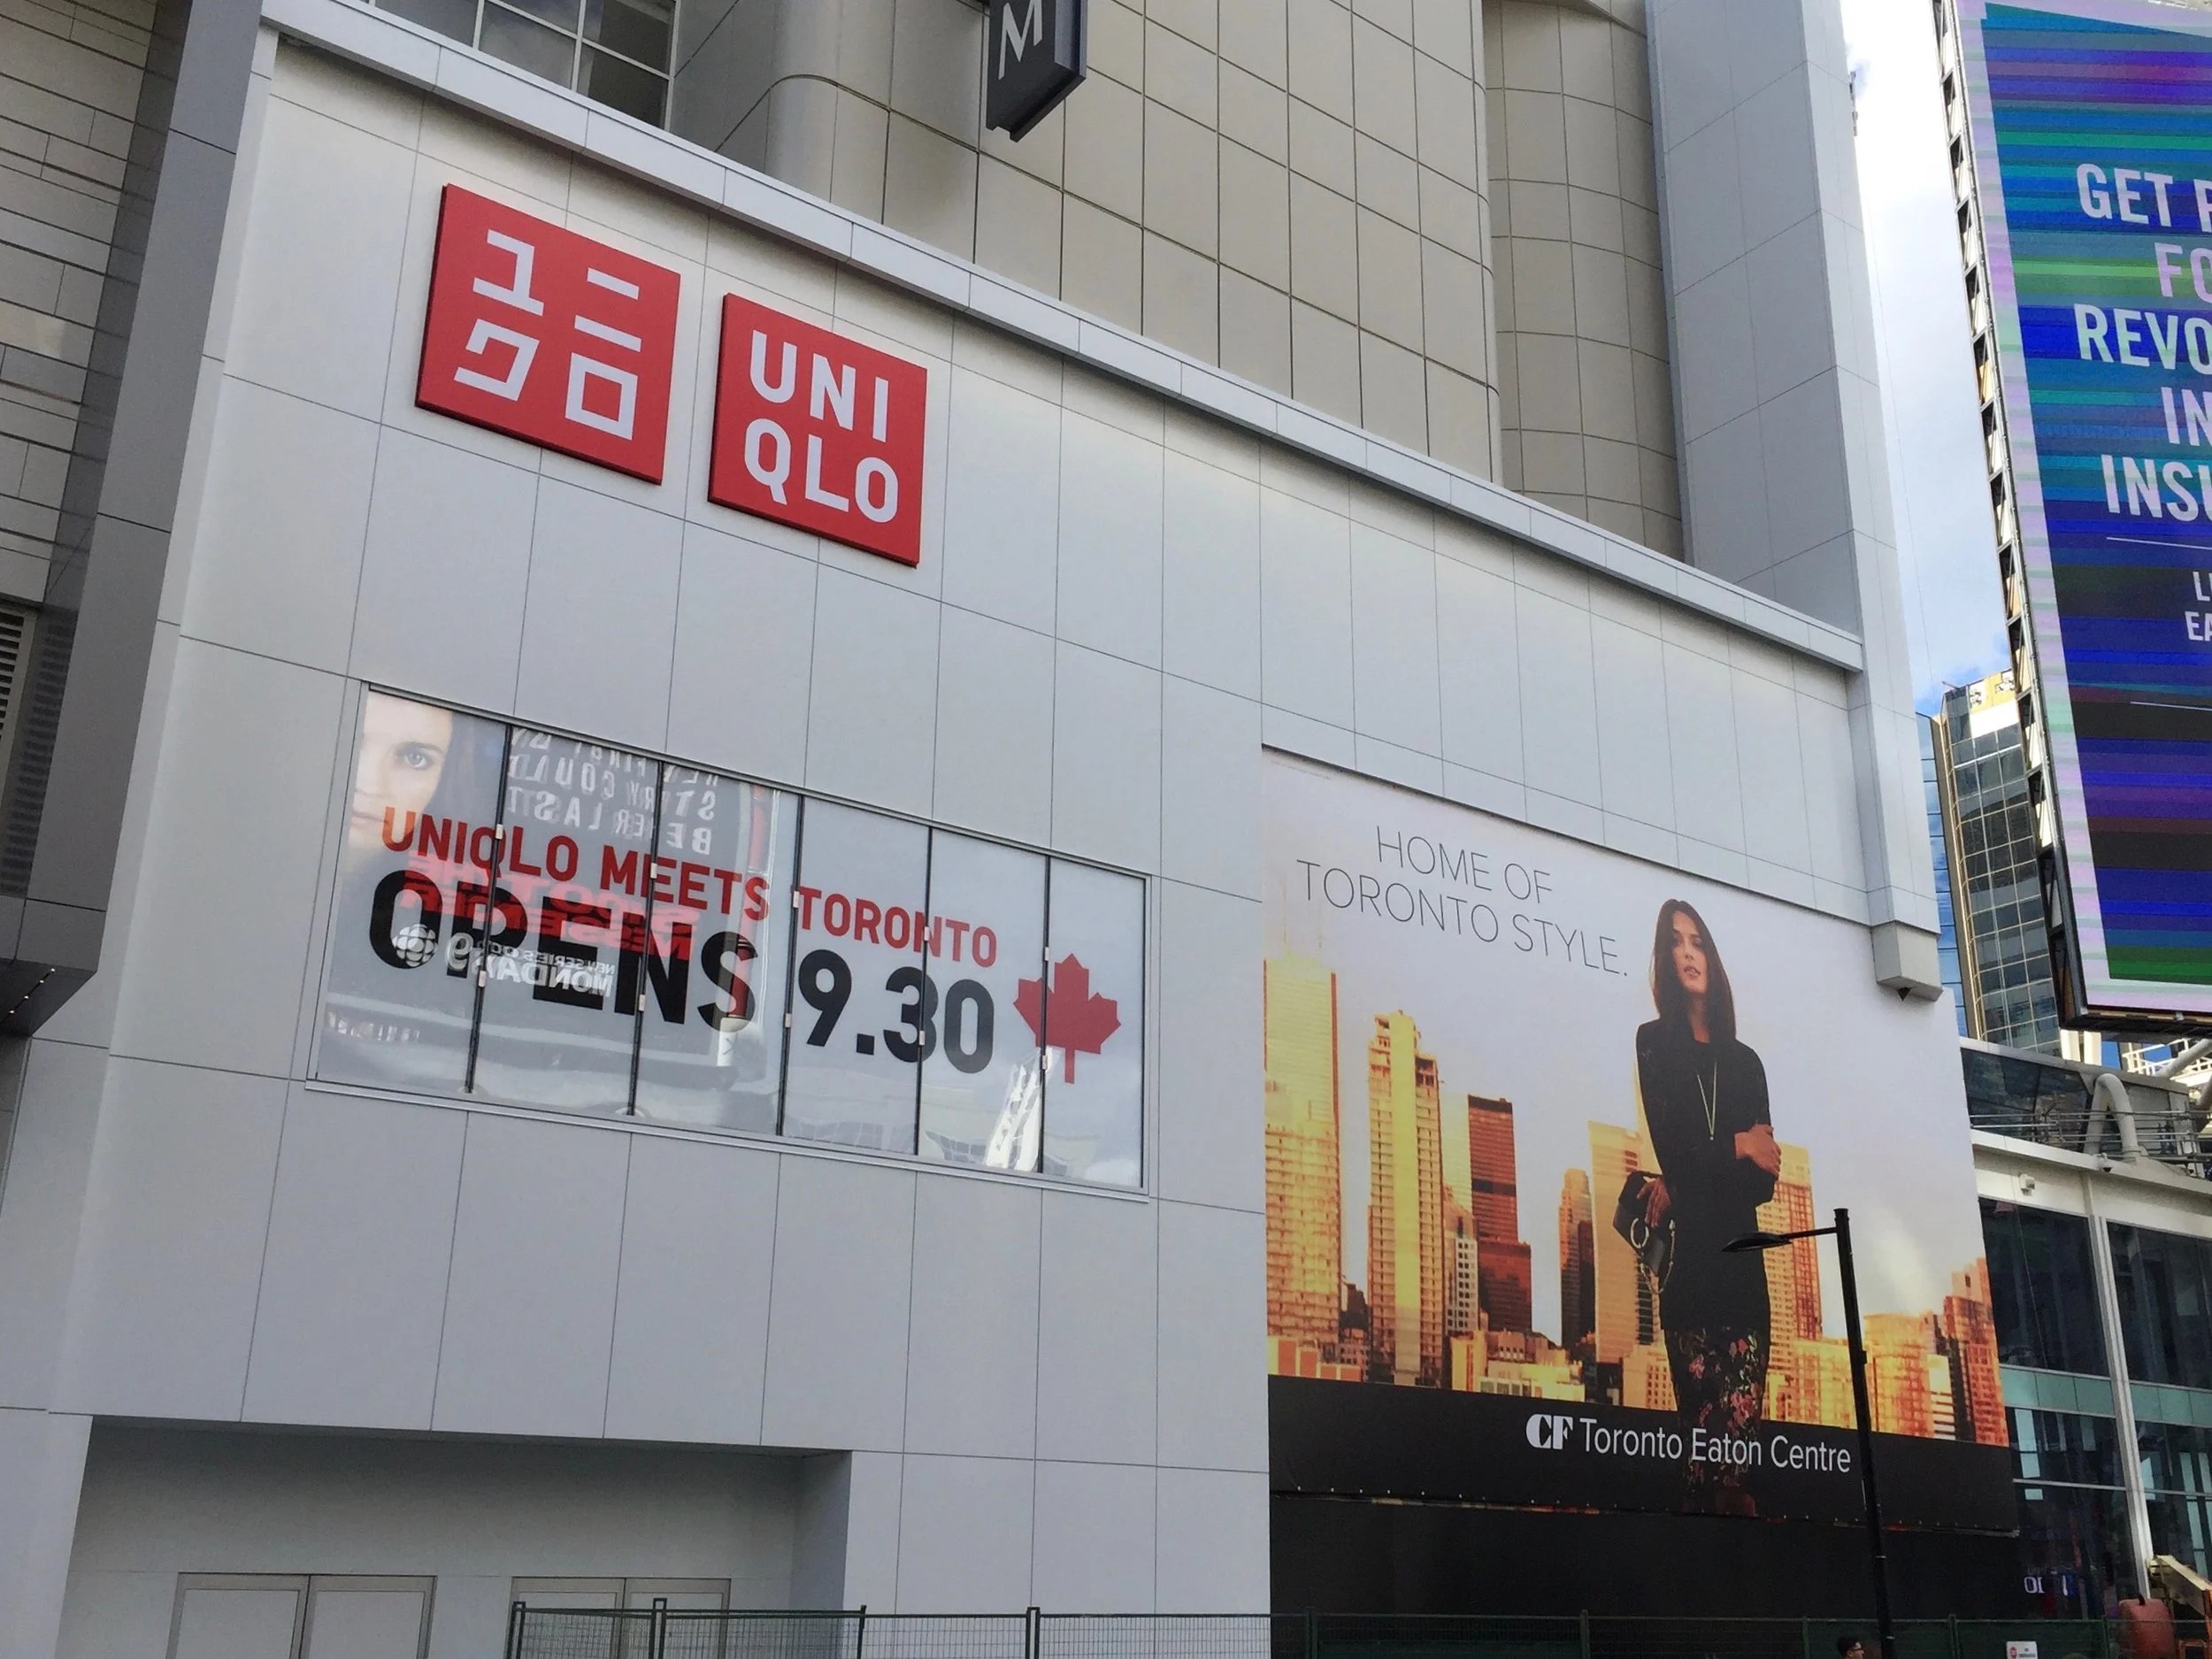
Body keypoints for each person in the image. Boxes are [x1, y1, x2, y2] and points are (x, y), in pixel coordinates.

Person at [1632, 897, 1782, 1510]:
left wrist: (1706, 1167)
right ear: (1665, 958)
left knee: (1735, 1469)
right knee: (1702, 1467)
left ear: (1711, 958)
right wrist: (1738, 1146)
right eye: (1676, 940)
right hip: (1691, 1280)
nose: (1689, 952)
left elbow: (1764, 1182)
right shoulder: (1653, 1044)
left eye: (1697, 940)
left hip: (1745, 1280)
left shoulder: (1747, 1063)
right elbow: (1677, 1151)